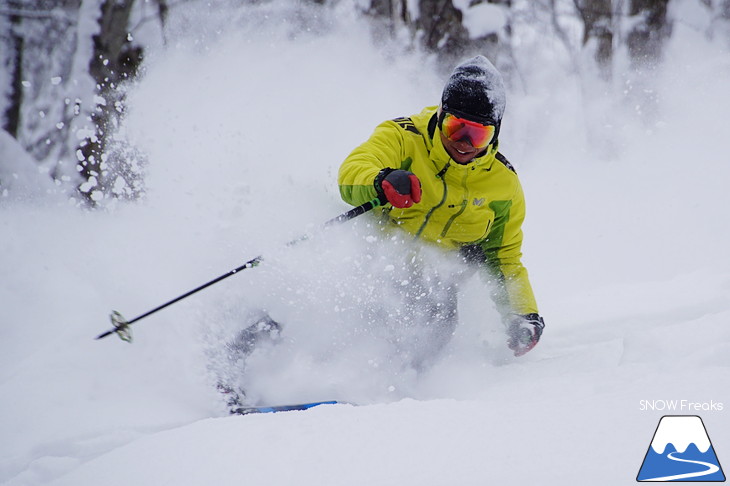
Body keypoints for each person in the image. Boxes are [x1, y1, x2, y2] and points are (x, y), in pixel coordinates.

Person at [338, 55, 545, 358]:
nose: (464, 143)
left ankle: (387, 386)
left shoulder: (503, 186)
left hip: (430, 287)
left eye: (478, 134)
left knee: (436, 322)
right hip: (370, 260)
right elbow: (352, 171)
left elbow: (504, 259)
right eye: (455, 127)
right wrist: (381, 179)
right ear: (440, 115)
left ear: (495, 133)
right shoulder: (405, 137)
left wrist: (523, 314)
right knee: (337, 296)